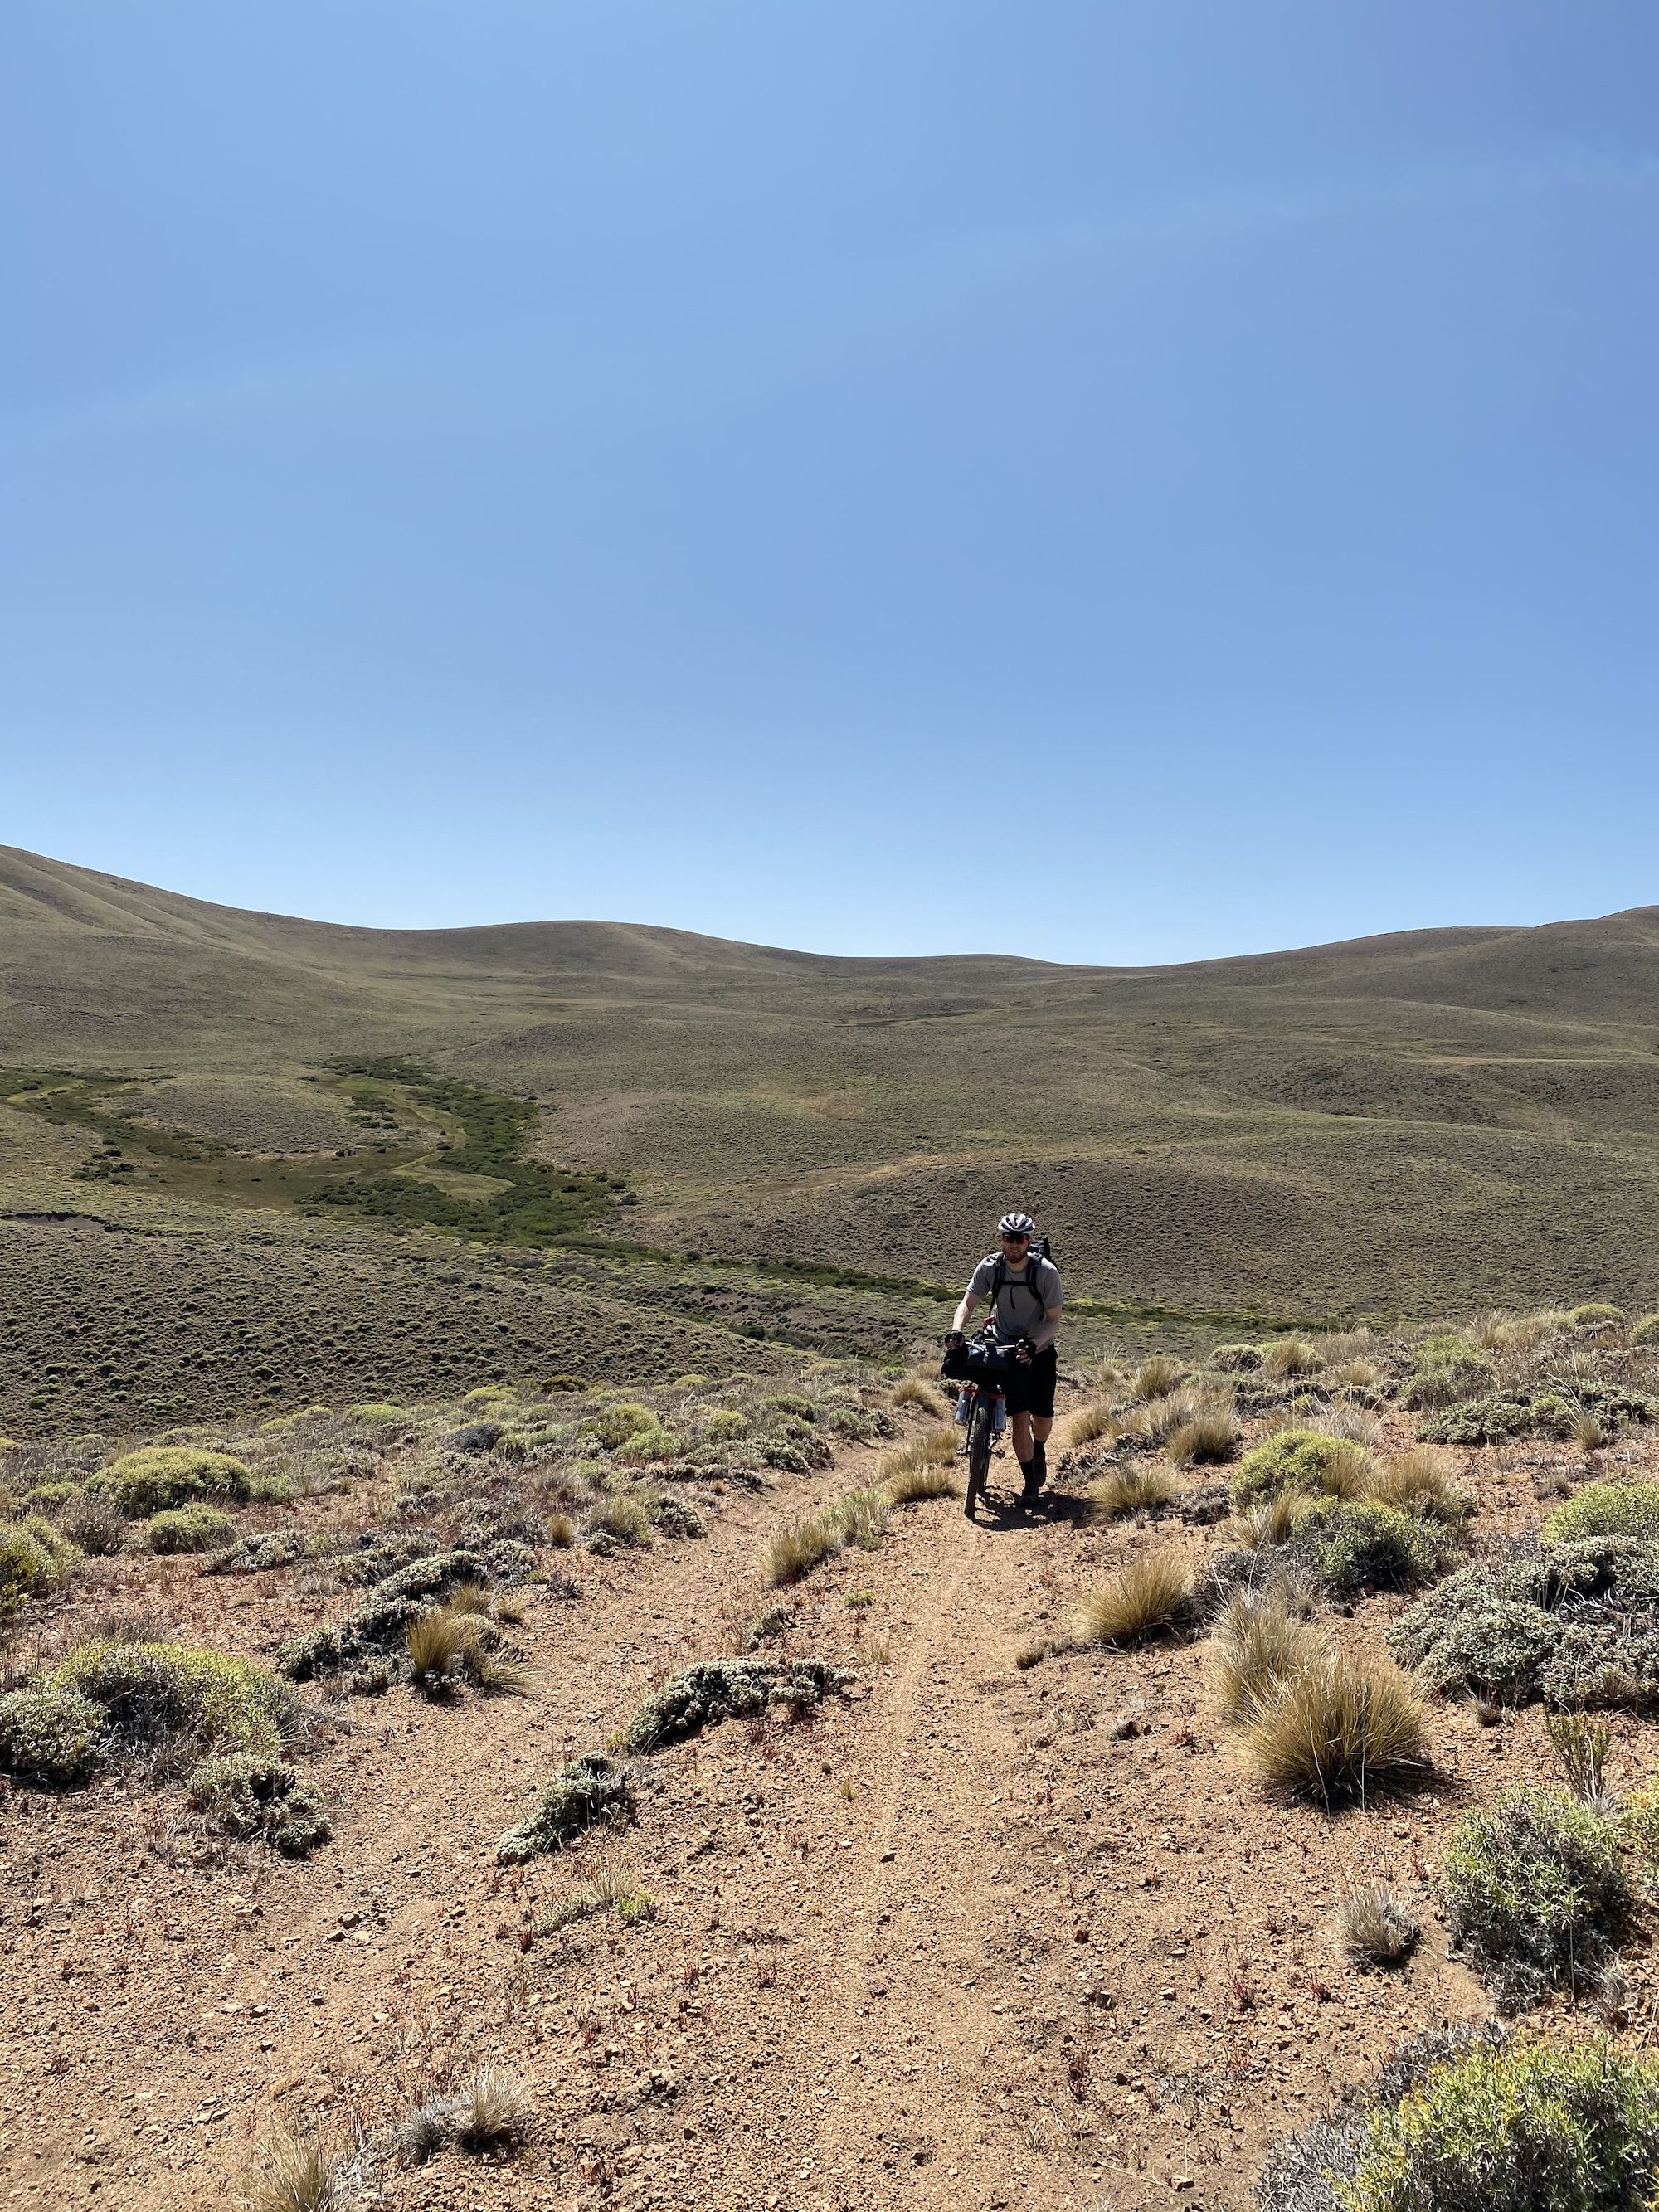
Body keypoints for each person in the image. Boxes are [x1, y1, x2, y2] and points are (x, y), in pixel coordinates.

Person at [946, 1211, 1063, 1500]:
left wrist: (1034, 1344)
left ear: (1029, 1240)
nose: (1014, 1244)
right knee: (1020, 1417)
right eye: (1009, 1238)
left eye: (1020, 1239)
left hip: (1040, 1352)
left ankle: (1038, 1449)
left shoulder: (1045, 1271)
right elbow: (968, 1302)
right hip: (1004, 1349)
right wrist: (956, 1330)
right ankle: (1029, 1484)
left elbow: (1053, 1319)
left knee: (1042, 1417)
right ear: (1001, 1239)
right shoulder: (991, 1267)